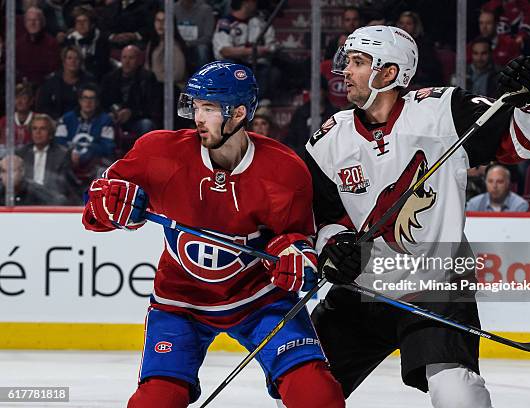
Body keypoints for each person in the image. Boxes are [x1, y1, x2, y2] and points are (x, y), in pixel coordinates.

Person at [306, 25, 530, 407]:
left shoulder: (443, 110)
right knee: (304, 389)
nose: (346, 71)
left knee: (457, 393)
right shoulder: (327, 141)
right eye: (348, 61)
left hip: (437, 280)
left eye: (358, 62)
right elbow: (322, 217)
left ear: (388, 73)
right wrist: (332, 246)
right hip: (363, 284)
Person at [81, 62, 345, 408]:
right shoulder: (158, 152)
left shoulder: (284, 169)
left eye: (208, 108)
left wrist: (295, 255)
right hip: (181, 303)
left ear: (238, 113)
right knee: (156, 400)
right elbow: (94, 213)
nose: (197, 118)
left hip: (260, 301)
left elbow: (295, 237)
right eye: (195, 106)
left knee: (317, 395)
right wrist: (107, 208)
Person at [55, 83, 115, 186]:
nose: (88, 102)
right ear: (79, 101)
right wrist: (70, 152)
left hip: (95, 163)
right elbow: (58, 142)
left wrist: (89, 151)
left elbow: (108, 147)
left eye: (92, 98)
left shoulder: (106, 121)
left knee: (104, 170)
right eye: (85, 98)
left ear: (97, 102)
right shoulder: (66, 119)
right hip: (69, 161)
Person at [16, 113, 80, 204]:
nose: (38, 132)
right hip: (26, 199)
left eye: (42, 129)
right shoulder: (21, 153)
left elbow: (63, 185)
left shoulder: (62, 154)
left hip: (50, 198)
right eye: (34, 129)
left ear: (50, 133)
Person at [36, 45, 96, 119]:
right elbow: (43, 107)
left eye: (76, 58)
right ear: (63, 61)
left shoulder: (89, 81)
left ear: (80, 62)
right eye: (69, 58)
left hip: (82, 120)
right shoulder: (51, 81)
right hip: (55, 122)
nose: (73, 61)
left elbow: (94, 104)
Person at [64, 5, 112, 81]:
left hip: (96, 78)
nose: (81, 24)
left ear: (92, 24)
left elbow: (103, 66)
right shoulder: (70, 40)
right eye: (78, 21)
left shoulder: (102, 40)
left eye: (85, 21)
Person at [15, 6, 61, 86]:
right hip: (23, 87)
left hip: (45, 86)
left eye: (36, 20)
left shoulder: (52, 43)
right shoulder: (18, 44)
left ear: (43, 23)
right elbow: (15, 70)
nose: (32, 23)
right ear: (25, 23)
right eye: (29, 20)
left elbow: (54, 71)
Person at [0, 154, 67, 205]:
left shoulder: (36, 192)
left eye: (12, 171)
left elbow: (61, 201)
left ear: (22, 172)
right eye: (3, 171)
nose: (7, 176)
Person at [0, 83, 36, 151]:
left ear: (31, 101)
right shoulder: (4, 121)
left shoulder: (38, 120)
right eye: (16, 98)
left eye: (23, 98)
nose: (19, 101)